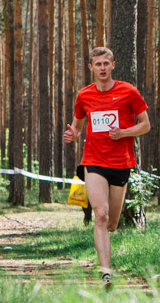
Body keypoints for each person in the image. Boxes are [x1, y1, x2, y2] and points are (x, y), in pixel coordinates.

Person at [62, 46, 151, 289]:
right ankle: (106, 273)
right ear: (91, 68)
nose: (102, 68)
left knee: (111, 223)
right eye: (98, 64)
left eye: (106, 63)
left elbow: (145, 125)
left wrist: (124, 132)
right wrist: (73, 133)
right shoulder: (84, 95)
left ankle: (106, 262)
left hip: (121, 163)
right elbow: (77, 125)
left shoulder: (128, 91)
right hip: (93, 161)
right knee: (100, 214)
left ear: (113, 65)